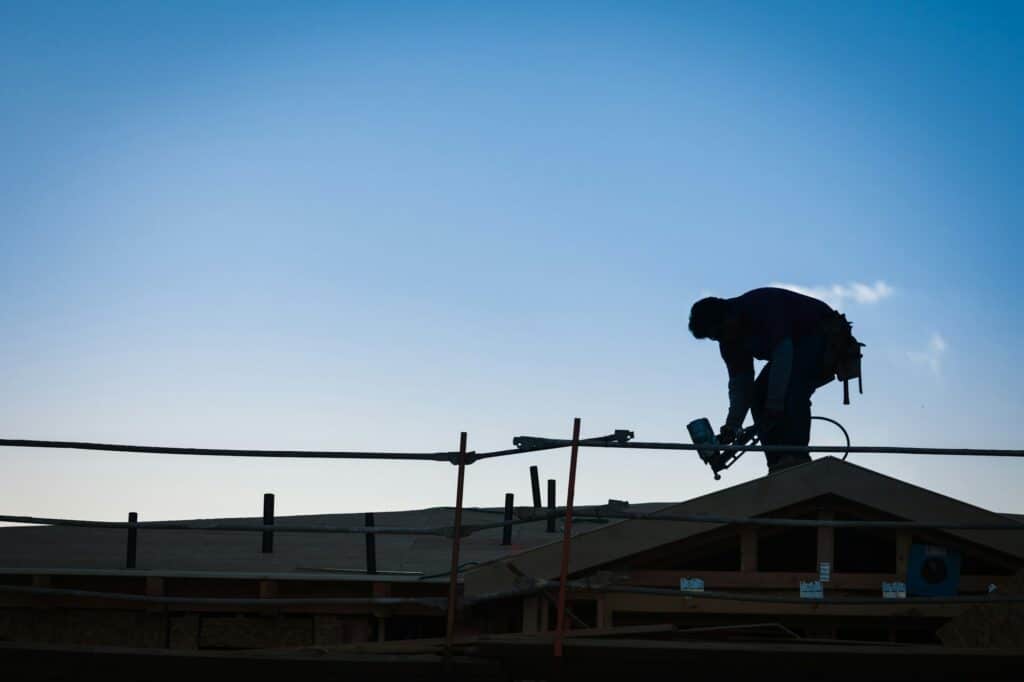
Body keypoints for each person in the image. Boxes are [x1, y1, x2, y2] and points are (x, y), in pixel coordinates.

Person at [689, 287, 841, 473]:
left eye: (721, 331)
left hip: (822, 334)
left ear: (728, 315)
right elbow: (741, 385)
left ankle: (796, 456)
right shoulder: (728, 341)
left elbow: (784, 354)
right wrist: (733, 425)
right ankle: (777, 461)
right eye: (716, 337)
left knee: (792, 389)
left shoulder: (760, 306)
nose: (722, 338)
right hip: (793, 348)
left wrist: (775, 404)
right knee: (759, 397)